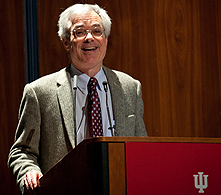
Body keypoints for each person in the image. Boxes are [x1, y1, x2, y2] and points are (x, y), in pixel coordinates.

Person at [8, 3, 147, 194]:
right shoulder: (39, 92)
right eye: (80, 32)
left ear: (105, 39)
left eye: (97, 31)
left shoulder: (131, 88)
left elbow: (141, 149)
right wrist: (29, 171)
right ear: (66, 42)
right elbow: (22, 152)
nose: (89, 38)